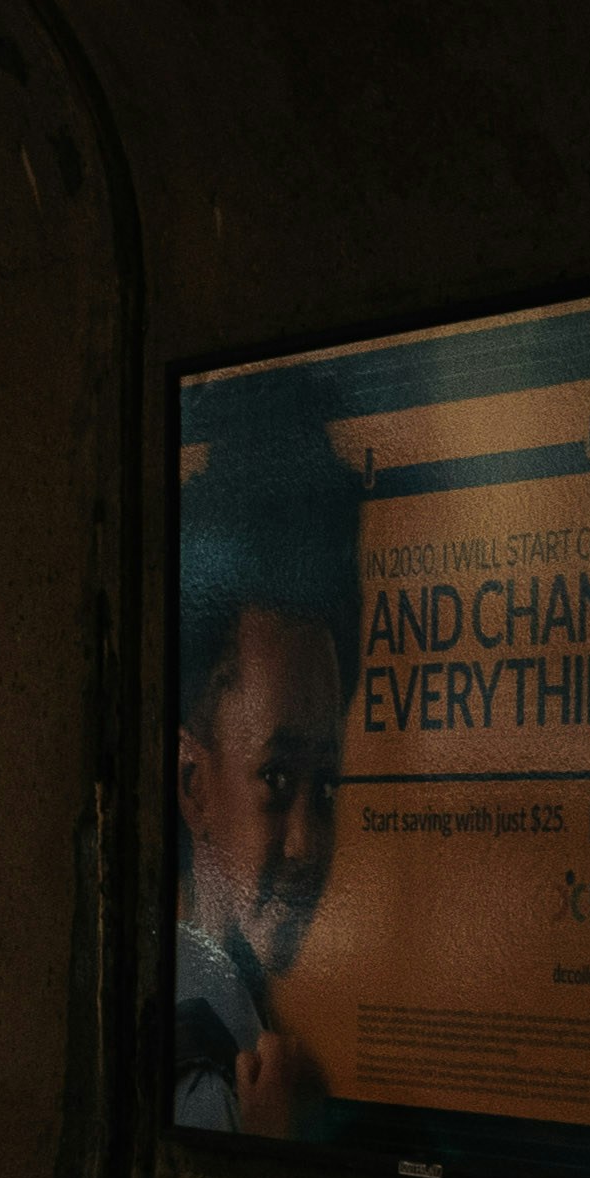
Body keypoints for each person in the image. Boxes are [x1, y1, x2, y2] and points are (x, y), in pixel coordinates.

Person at [167, 426, 360, 1136]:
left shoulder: (240, 1021)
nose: (308, 843)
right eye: (276, 778)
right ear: (192, 781)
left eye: (328, 788)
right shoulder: (207, 1081)